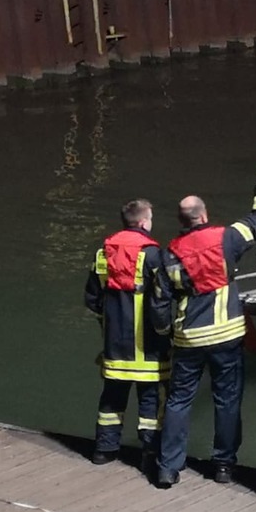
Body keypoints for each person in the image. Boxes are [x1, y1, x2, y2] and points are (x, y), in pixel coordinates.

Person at [154, 172, 256, 488]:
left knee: (178, 402)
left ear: (181, 220)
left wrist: (165, 333)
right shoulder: (227, 238)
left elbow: (159, 302)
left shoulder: (169, 254)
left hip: (188, 338)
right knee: (227, 400)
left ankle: (168, 467)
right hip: (226, 335)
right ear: (204, 215)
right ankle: (223, 465)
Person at [84, 199, 172, 466]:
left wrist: (109, 323)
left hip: (115, 347)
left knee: (111, 400)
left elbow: (92, 299)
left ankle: (104, 450)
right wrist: (166, 330)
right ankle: (149, 453)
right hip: (149, 347)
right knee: (150, 404)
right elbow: (163, 299)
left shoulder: (103, 254)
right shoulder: (154, 256)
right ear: (144, 222)